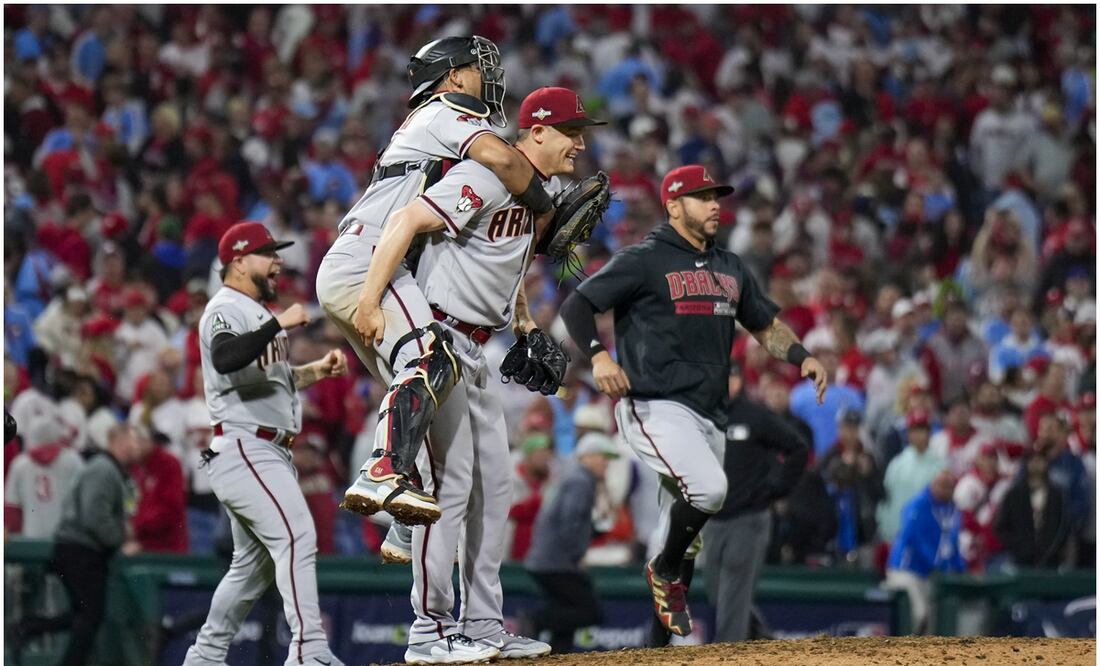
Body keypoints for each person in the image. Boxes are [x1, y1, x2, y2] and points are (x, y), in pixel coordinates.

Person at [344, 85, 601, 662]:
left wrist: (529, 327)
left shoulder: (543, 194)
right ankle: (428, 631)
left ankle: (483, 624)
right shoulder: (485, 177)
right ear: (535, 131)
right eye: (571, 131)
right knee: (452, 490)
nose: (581, 144)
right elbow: (407, 221)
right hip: (438, 339)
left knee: (495, 491)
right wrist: (368, 298)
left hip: (480, 348)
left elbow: (502, 275)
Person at [560, 164, 827, 637]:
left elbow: (764, 325)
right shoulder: (645, 258)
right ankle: (662, 571)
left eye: (717, 196)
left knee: (684, 538)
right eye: (703, 197)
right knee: (709, 491)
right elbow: (577, 304)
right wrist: (600, 357)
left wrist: (802, 356)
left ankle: (657, 641)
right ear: (674, 205)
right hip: (654, 404)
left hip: (710, 415)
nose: (714, 205)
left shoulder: (729, 265)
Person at [315, 35, 559, 528]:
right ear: (452, 77)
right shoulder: (445, 108)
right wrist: (546, 207)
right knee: (433, 358)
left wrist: (523, 317)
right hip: (368, 261)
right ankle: (380, 471)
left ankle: (405, 530)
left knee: (424, 390)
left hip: (369, 259)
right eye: (476, 67)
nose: (486, 76)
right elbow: (507, 161)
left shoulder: (427, 126)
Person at [182, 222, 348, 666]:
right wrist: (279, 321)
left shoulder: (252, 311)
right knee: (296, 537)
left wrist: (314, 371)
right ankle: (308, 650)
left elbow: (268, 379)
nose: (278, 261)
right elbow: (225, 356)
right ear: (237, 262)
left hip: (261, 447)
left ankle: (205, 656)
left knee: (251, 568)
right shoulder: (226, 306)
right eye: (267, 253)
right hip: (245, 446)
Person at [10, 423, 146, 666]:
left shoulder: (109, 469)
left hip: (76, 549)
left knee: (83, 614)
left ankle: (28, 626)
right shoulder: (104, 469)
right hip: (81, 550)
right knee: (90, 615)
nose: (136, 446)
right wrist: (119, 540)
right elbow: (93, 515)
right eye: (132, 439)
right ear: (117, 440)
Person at [695, 363, 809, 644]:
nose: (727, 383)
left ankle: (728, 658)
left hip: (747, 519)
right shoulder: (705, 417)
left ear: (741, 382)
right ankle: (765, 641)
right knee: (716, 593)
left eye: (732, 377)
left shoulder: (755, 416)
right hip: (713, 519)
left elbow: (798, 448)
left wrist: (775, 489)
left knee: (732, 597)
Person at [524, 433, 619, 653]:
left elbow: (570, 521)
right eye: (603, 457)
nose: (607, 463)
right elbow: (570, 521)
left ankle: (559, 653)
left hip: (547, 559)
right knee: (589, 610)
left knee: (567, 609)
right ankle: (537, 620)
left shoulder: (576, 478)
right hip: (556, 562)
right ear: (588, 457)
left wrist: (595, 530)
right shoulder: (580, 480)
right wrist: (577, 556)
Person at [882, 470, 966, 634]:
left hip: (929, 575)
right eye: (941, 485)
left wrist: (959, 568)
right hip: (906, 570)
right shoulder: (918, 504)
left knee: (932, 623)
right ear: (933, 484)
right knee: (918, 616)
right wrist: (939, 565)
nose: (944, 490)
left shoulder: (952, 509)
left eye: (949, 487)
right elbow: (914, 538)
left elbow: (952, 543)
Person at [4, 417, 84, 538]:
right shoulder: (73, 460)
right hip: (66, 540)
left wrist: (16, 538)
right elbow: (84, 500)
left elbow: (12, 508)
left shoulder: (20, 464)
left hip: (30, 537)